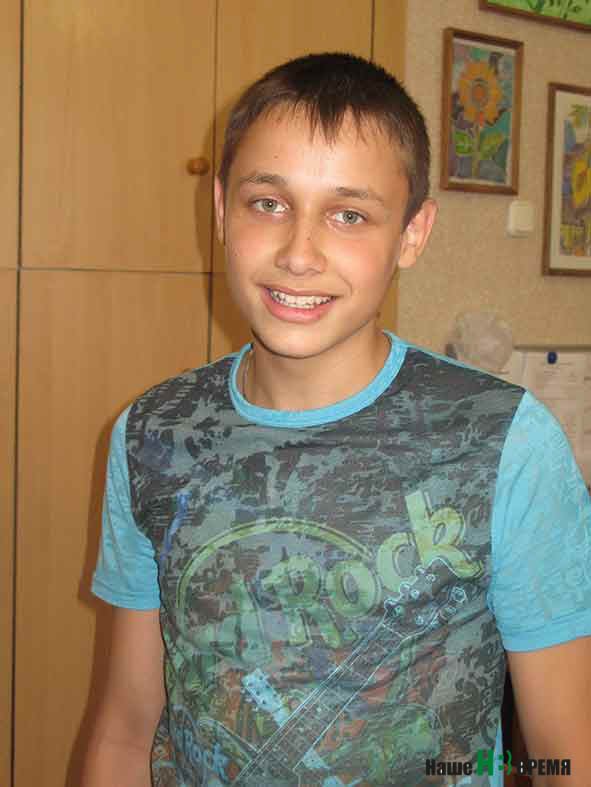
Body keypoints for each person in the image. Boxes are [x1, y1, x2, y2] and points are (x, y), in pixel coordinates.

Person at [83, 52, 591, 787]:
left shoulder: (503, 441)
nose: (299, 254)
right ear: (220, 209)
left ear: (412, 233)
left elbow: (564, 752)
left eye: (348, 215)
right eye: (268, 203)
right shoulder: (152, 435)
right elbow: (125, 732)